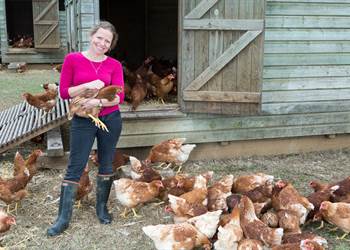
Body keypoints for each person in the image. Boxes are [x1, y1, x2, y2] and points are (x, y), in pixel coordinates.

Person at [47, 21, 124, 236]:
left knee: (107, 161)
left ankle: (101, 208)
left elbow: (120, 96)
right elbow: (64, 92)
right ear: (92, 36)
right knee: (76, 164)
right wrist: (89, 86)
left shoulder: (115, 65)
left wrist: (97, 102)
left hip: (110, 118)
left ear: (110, 45)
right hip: (82, 120)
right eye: (99, 37)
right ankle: (63, 218)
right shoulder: (73, 59)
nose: (102, 43)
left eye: (107, 41)